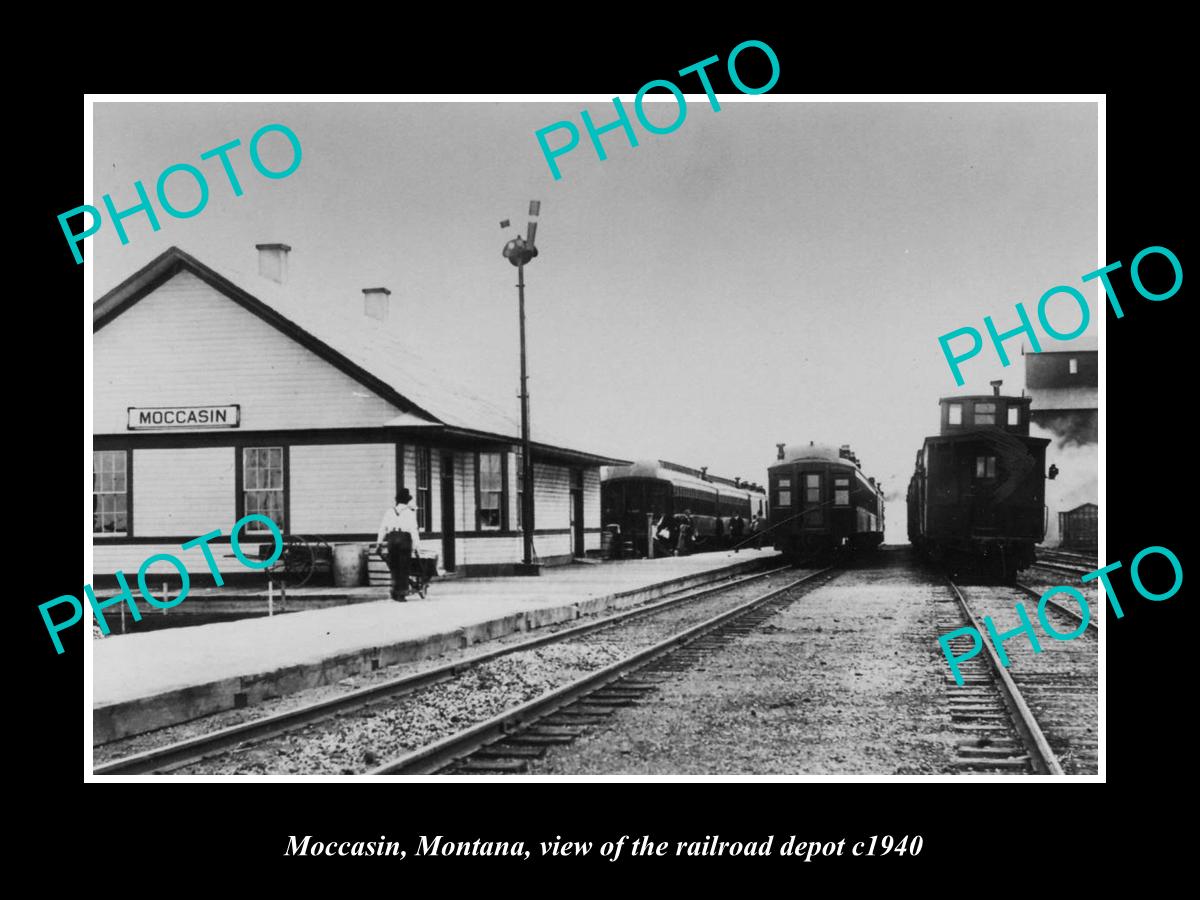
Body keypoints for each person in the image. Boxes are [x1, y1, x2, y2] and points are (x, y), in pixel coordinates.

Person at [377, 488, 420, 601]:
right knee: (404, 566)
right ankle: (401, 593)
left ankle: (395, 591)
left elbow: (382, 529)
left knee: (394, 566)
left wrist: (379, 543)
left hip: (392, 538)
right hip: (404, 539)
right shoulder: (410, 513)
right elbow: (413, 530)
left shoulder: (389, 512)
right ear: (407, 501)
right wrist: (416, 546)